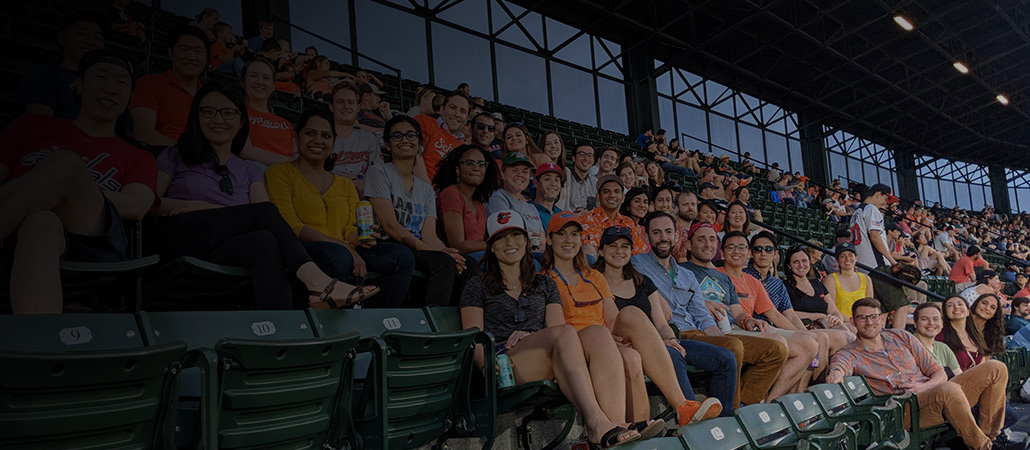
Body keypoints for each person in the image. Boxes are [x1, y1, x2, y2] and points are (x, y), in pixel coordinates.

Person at [148, 83, 378, 310]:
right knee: (266, 214)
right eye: (208, 111)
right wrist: (194, 205)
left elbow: (266, 219)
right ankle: (318, 282)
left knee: (265, 241)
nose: (218, 119)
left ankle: (280, 328)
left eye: (228, 113)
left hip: (224, 245)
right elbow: (150, 202)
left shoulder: (248, 169)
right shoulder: (175, 155)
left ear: (240, 122)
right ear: (195, 116)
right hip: (184, 233)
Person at [459, 211, 642, 449]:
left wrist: (534, 338)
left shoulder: (544, 284)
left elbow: (558, 330)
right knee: (565, 334)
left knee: (598, 333)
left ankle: (616, 423)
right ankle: (596, 424)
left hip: (546, 356)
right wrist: (486, 363)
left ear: (526, 241)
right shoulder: (477, 285)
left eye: (516, 235)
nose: (510, 243)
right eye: (501, 238)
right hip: (503, 362)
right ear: (491, 247)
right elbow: (475, 337)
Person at [0, 50, 156, 314]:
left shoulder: (137, 155)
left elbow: (137, 205)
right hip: (20, 232)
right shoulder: (30, 125)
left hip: (92, 239)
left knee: (66, 164)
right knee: (41, 222)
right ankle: (41, 344)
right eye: (101, 77)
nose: (111, 88)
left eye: (121, 82)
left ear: (129, 96)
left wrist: (70, 187)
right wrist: (43, 190)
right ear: (79, 85)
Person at [540, 213, 721, 426]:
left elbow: (612, 318)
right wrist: (606, 338)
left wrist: (620, 338)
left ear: (581, 239)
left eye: (574, 234)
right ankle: (625, 427)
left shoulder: (594, 277)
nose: (569, 240)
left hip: (605, 339)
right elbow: (559, 332)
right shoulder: (544, 280)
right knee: (628, 356)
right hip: (577, 346)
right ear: (549, 239)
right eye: (561, 234)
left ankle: (680, 407)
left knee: (633, 319)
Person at [263, 109, 414, 308]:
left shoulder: (344, 184)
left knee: (402, 256)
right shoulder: (279, 173)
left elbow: (349, 231)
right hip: (303, 250)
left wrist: (362, 238)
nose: (318, 140)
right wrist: (346, 248)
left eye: (325, 136)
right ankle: (333, 320)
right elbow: (290, 225)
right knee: (338, 256)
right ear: (296, 136)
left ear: (333, 142)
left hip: (344, 250)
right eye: (310, 133)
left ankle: (380, 317)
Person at [635, 214, 787, 407]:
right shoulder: (637, 264)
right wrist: (654, 296)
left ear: (676, 236)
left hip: (699, 333)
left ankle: (743, 405)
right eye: (656, 233)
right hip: (675, 334)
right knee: (733, 346)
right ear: (647, 237)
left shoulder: (686, 275)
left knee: (776, 350)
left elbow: (701, 315)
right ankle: (729, 413)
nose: (663, 238)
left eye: (668, 232)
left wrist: (718, 338)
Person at [826, 298, 1008, 450]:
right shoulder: (850, 352)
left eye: (873, 317)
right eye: (862, 318)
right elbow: (839, 365)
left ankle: (989, 437)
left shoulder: (901, 336)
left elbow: (938, 372)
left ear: (882, 319)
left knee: (995, 368)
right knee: (949, 389)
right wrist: (836, 374)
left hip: (932, 393)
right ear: (853, 321)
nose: (869, 322)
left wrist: (925, 386)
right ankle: (983, 447)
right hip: (903, 410)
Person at [596, 226, 730, 417]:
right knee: (668, 351)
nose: (619, 251)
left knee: (725, 358)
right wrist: (661, 343)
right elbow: (608, 323)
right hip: (623, 343)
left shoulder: (642, 281)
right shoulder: (594, 279)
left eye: (625, 246)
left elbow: (660, 324)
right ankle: (689, 410)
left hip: (655, 340)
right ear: (600, 250)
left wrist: (671, 339)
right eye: (613, 246)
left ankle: (727, 421)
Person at [364, 115, 466, 306]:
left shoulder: (425, 189)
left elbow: (428, 234)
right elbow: (390, 226)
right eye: (397, 136)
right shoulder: (379, 172)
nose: (405, 140)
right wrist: (440, 255)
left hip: (416, 248)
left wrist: (447, 252)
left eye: (411, 135)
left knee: (466, 265)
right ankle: (434, 326)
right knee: (442, 263)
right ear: (387, 144)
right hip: (386, 246)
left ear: (420, 144)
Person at [717, 231, 822, 399]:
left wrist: (801, 333)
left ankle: (771, 401)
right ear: (722, 251)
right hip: (731, 329)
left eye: (741, 247)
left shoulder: (755, 281)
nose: (736, 251)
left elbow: (775, 313)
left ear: (747, 252)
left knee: (810, 343)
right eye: (731, 247)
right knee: (781, 343)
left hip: (751, 327)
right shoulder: (716, 274)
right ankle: (757, 400)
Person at [18, 9, 108, 119]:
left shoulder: (107, 84)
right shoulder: (45, 74)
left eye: (98, 38)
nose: (90, 42)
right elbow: (40, 125)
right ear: (62, 37)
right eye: (82, 33)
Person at [130, 26, 208, 146]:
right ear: (171, 53)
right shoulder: (149, 84)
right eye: (184, 49)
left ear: (206, 57)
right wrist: (190, 155)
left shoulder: (209, 95)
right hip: (161, 158)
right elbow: (143, 134)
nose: (192, 57)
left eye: (198, 51)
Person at [850, 183, 908, 329]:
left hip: (865, 268)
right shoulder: (871, 209)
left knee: (880, 310)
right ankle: (898, 341)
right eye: (886, 199)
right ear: (878, 193)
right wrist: (893, 261)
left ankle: (879, 340)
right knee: (902, 305)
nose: (886, 203)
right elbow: (875, 237)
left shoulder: (856, 212)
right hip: (878, 266)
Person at [433, 144, 500, 258]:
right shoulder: (451, 194)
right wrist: (496, 245)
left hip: (482, 256)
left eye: (481, 164)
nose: (476, 168)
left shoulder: (478, 201)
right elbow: (457, 245)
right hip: (461, 259)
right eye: (469, 163)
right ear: (457, 170)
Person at [782, 246, 855, 332]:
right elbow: (788, 313)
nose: (801, 265)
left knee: (853, 329)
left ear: (809, 262)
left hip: (826, 325)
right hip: (805, 328)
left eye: (804, 261)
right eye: (796, 262)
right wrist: (818, 316)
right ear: (789, 265)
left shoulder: (817, 283)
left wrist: (837, 320)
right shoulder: (784, 286)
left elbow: (834, 311)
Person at [327, 83, 382, 195]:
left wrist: (359, 183)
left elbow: (378, 174)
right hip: (328, 193)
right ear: (331, 107)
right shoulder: (321, 137)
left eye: (350, 102)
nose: (346, 106)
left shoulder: (368, 138)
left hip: (361, 196)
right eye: (340, 102)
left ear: (357, 108)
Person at [239, 58, 294, 167]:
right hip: (255, 172)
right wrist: (290, 163)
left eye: (266, 78)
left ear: (273, 86)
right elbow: (245, 150)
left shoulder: (285, 124)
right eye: (253, 76)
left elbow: (297, 153)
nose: (260, 82)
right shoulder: (236, 113)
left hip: (288, 174)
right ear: (242, 81)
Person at [486, 152, 545, 252]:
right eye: (514, 170)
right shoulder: (498, 197)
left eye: (525, 172)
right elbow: (508, 234)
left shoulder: (531, 207)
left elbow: (543, 239)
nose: (520, 175)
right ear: (502, 174)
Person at [580, 175, 648, 257]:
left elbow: (641, 254)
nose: (612, 195)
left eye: (616, 191)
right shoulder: (587, 218)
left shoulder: (628, 222)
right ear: (598, 197)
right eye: (606, 191)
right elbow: (591, 256)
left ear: (623, 198)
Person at [415, 90, 469, 182]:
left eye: (462, 111)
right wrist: (429, 192)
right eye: (452, 107)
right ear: (442, 109)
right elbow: (412, 157)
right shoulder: (424, 122)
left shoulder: (464, 147)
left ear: (467, 118)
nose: (457, 114)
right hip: (418, 189)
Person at [913, 302, 962, 377]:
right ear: (915, 323)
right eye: (924, 319)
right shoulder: (909, 345)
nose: (931, 323)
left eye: (935, 319)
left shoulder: (943, 348)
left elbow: (959, 376)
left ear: (942, 324)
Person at [560, 143, 597, 212]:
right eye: (581, 154)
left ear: (593, 160)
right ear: (573, 158)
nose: (586, 158)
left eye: (589, 155)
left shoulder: (595, 182)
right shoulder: (564, 177)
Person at [531, 162, 564, 230]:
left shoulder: (561, 213)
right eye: (547, 179)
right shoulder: (527, 210)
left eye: (557, 180)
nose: (553, 184)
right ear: (536, 183)